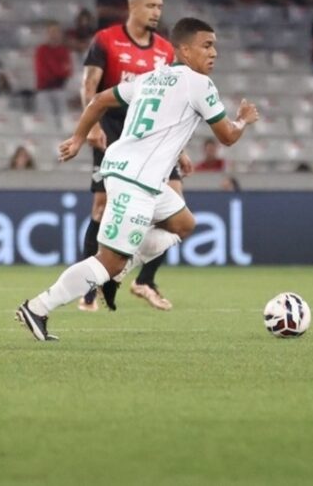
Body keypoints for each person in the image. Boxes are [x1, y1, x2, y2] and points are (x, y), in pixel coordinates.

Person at [16, 17, 260, 342]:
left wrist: (77, 138)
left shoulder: (152, 78)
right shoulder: (200, 84)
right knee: (107, 263)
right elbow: (227, 137)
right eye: (206, 45)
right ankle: (38, 307)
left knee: (184, 223)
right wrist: (243, 120)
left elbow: (100, 99)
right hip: (135, 179)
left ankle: (124, 266)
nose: (214, 52)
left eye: (215, 45)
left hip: (136, 173)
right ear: (184, 50)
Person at [78, 0, 184, 313]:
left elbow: (171, 102)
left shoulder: (166, 50)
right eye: (151, 6)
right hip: (112, 133)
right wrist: (91, 125)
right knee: (101, 207)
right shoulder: (106, 40)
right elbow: (89, 85)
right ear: (132, 7)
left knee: (175, 206)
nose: (156, 12)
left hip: (154, 138)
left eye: (160, 7)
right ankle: (88, 289)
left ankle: (144, 280)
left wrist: (181, 149)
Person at [35, 21, 72, 102]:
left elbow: (68, 71)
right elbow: (42, 71)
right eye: (52, 32)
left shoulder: (64, 51)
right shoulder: (41, 50)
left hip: (60, 89)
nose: (54, 34)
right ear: (47, 34)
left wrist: (56, 70)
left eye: (56, 32)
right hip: (44, 89)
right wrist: (59, 70)